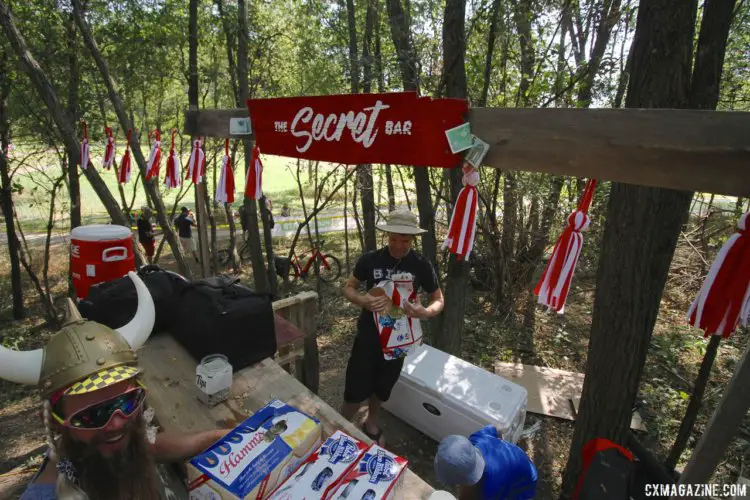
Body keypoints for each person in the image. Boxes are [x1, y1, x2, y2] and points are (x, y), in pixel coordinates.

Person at [0, 272, 227, 500]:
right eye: (92, 415)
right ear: (55, 423)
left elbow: (149, 446)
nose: (117, 422)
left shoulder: (102, 443)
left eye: (127, 402)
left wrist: (220, 435)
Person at [340, 208, 444, 444]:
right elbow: (349, 287)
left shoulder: (421, 264)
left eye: (404, 240)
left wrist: (425, 312)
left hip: (398, 341)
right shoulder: (370, 259)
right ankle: (342, 425)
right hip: (368, 337)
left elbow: (439, 299)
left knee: (383, 388)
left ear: (413, 238)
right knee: (355, 388)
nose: (398, 244)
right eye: (393, 238)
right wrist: (361, 300)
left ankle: (371, 421)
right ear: (387, 235)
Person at [434, 426, 537, 500]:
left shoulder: (491, 487)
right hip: (517, 457)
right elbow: (494, 429)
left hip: (525, 481)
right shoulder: (477, 438)